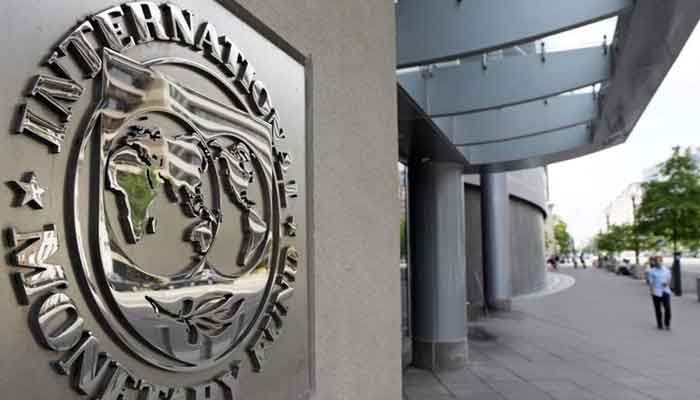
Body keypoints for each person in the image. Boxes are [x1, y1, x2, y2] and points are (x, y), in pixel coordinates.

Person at [647, 255, 672, 330]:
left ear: (662, 261)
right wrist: (651, 292)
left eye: (659, 261)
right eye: (656, 262)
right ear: (654, 262)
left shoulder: (666, 270)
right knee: (658, 309)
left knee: (667, 309)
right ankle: (659, 324)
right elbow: (651, 283)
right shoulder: (651, 271)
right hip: (656, 292)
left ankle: (667, 324)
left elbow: (669, 279)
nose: (658, 263)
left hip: (665, 291)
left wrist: (667, 283)